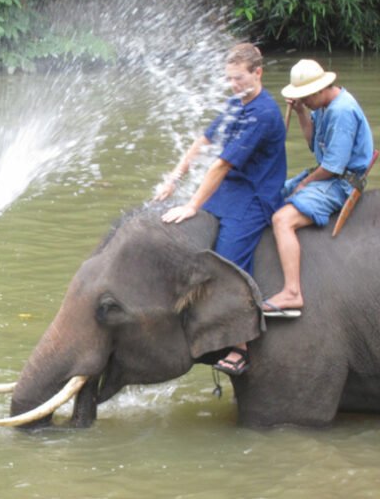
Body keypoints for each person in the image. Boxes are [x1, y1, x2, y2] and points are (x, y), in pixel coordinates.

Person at [155, 43, 287, 376]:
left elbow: (220, 165)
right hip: (231, 190)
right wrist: (173, 179)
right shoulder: (235, 104)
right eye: (229, 79)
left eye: (239, 78)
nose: (234, 85)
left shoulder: (264, 113)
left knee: (227, 261)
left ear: (258, 72)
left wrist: (191, 204)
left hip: (256, 195)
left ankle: (240, 345)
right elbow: (203, 142)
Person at [267, 59, 374, 315]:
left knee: (282, 220)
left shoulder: (341, 112)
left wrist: (303, 185)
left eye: (305, 99)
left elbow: (333, 167)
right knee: (272, 193)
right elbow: (313, 144)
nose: (303, 102)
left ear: (319, 90)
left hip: (340, 183)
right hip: (326, 173)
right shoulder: (324, 106)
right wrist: (303, 113)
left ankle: (292, 292)